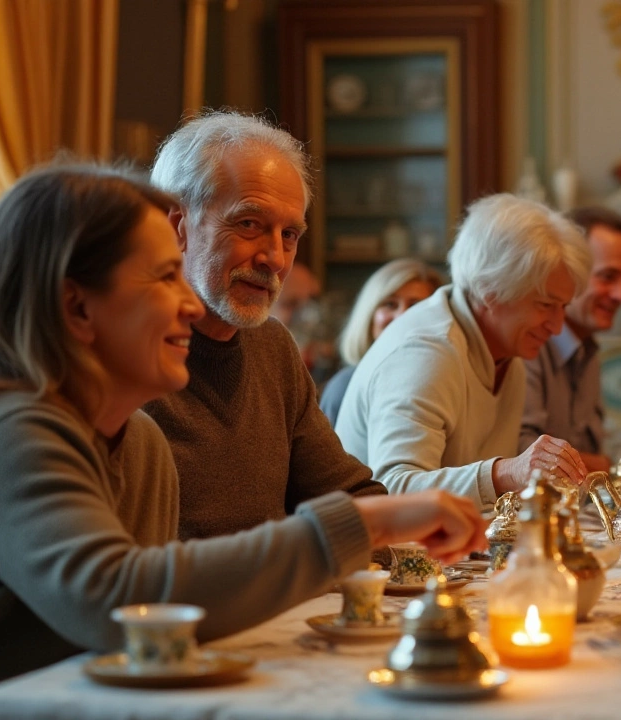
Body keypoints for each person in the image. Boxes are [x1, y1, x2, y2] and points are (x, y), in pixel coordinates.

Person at [0, 166, 486, 720]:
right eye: (164, 277)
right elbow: (124, 604)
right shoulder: (1, 431)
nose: (189, 302)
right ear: (77, 307)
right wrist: (366, 524)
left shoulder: (138, 441)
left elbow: (150, 649)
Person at [147, 111, 386, 540]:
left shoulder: (272, 345)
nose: (275, 258)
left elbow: (343, 491)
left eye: (290, 234)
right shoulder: (124, 354)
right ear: (176, 226)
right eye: (249, 224)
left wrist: (417, 527)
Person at [337, 194, 593, 509]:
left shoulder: (507, 353)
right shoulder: (428, 351)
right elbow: (390, 489)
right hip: (377, 555)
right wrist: (505, 473)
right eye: (545, 305)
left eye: (564, 307)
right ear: (490, 291)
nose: (557, 327)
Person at [521, 206, 621, 474]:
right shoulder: (529, 345)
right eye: (608, 277)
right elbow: (524, 456)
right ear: (566, 272)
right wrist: (605, 466)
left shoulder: (588, 351)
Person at [319, 258, 444, 425]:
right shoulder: (345, 387)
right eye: (390, 304)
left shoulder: (446, 384)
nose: (401, 316)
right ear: (368, 316)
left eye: (415, 306)